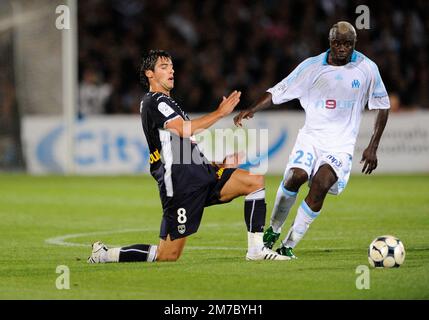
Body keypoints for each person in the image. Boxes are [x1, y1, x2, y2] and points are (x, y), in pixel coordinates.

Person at [88, 49, 289, 263]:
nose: (171, 70)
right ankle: (105, 255)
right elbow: (183, 130)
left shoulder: (169, 103)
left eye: (172, 66)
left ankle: (256, 250)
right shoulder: (154, 100)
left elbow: (184, 146)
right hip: (181, 183)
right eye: (163, 67)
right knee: (168, 255)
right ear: (150, 74)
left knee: (254, 181)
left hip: (200, 174)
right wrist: (220, 113)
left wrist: (217, 163)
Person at [234, 21, 390, 259]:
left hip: (340, 146)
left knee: (320, 184)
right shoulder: (311, 67)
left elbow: (383, 106)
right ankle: (272, 232)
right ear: (331, 42)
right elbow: (279, 90)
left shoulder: (367, 68)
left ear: (354, 44)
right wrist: (252, 108)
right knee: (296, 176)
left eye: (348, 44)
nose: (342, 48)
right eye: (338, 43)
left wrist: (373, 146)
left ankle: (289, 244)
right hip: (311, 138)